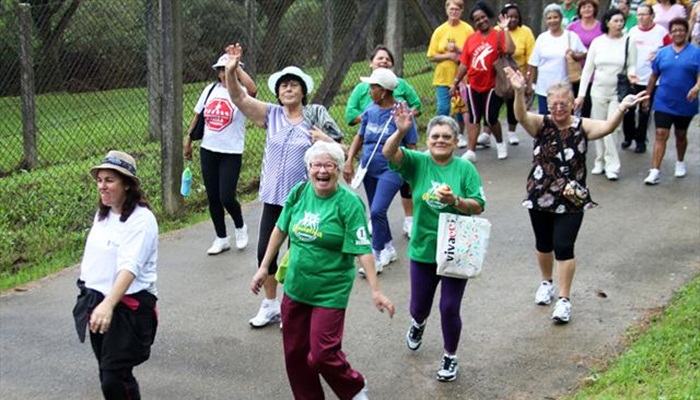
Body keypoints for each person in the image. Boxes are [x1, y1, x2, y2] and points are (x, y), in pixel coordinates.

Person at [251, 141, 394, 400]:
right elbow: (280, 229)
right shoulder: (299, 193)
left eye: (329, 165)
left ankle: (354, 388)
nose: (322, 171)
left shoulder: (349, 203)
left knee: (322, 354)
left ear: (339, 169)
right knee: (295, 354)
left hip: (330, 290)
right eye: (316, 165)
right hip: (296, 287)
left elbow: (363, 249)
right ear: (308, 168)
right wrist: (263, 268)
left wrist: (376, 290)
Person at [504, 66, 648, 323]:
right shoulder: (542, 124)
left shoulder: (582, 126)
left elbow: (606, 127)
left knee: (563, 246)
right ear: (548, 104)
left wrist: (623, 108)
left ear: (572, 104)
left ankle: (564, 299)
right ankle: (546, 283)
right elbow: (521, 115)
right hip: (540, 194)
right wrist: (517, 92)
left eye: (563, 103)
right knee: (543, 244)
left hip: (571, 198)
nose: (558, 108)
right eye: (553, 104)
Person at [224, 43, 344, 328]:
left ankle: (293, 306)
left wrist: (324, 141)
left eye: (293, 85)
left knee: (299, 257)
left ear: (303, 91)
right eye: (283, 86)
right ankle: (270, 305)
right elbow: (239, 99)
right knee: (266, 251)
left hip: (304, 200)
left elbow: (343, 151)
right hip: (273, 199)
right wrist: (232, 72)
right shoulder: (272, 115)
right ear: (278, 93)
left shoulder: (315, 119)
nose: (288, 89)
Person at [382, 107, 486, 382]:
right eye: (435, 136)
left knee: (449, 307)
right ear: (427, 140)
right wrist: (401, 131)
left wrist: (457, 202)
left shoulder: (464, 168)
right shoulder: (418, 163)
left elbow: (479, 205)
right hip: (424, 248)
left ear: (455, 141)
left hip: (456, 249)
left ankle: (450, 356)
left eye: (446, 137)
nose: (440, 140)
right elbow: (389, 154)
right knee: (419, 306)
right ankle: (418, 324)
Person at [72, 150, 159, 399]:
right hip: (96, 303)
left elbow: (130, 267)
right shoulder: (104, 214)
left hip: (127, 309)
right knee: (107, 373)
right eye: (99, 180)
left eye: (109, 180)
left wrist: (108, 304)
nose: (102, 186)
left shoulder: (141, 220)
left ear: (127, 185)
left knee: (115, 377)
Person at [343, 68, 418, 275]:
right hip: (368, 168)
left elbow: (412, 145)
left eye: (373, 88)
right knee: (378, 210)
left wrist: (413, 175)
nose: (369, 92)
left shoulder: (402, 113)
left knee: (376, 210)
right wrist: (349, 160)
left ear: (384, 91)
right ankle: (388, 248)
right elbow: (359, 137)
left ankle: (375, 256)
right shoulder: (369, 110)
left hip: (392, 169)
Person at [184, 51, 257, 255]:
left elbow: (253, 89)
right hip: (208, 149)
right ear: (217, 73)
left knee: (226, 196)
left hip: (231, 152)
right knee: (213, 197)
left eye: (229, 70)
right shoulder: (209, 90)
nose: (225, 74)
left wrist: (236, 67)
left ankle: (241, 227)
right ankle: (221, 238)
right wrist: (188, 140)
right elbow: (198, 116)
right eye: (222, 70)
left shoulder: (240, 93)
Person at [575, 8, 637, 181]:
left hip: (618, 91)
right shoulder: (598, 42)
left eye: (621, 21)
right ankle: (599, 161)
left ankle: (612, 165)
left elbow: (632, 64)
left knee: (613, 128)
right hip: (598, 90)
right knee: (599, 127)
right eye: (615, 21)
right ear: (607, 22)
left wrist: (632, 73)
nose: (619, 24)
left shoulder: (628, 41)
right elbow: (588, 70)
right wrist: (581, 94)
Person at [452, 1, 514, 162]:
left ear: (489, 17)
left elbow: (509, 50)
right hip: (473, 83)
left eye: (483, 17)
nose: (481, 21)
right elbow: (465, 63)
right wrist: (456, 81)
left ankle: (500, 144)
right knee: (473, 117)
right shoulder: (471, 39)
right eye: (477, 19)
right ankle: (471, 151)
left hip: (493, 84)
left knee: (490, 117)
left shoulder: (498, 35)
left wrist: (505, 28)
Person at [643, 17, 700, 185]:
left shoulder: (695, 53)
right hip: (663, 100)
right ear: (670, 33)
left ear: (686, 32)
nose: (678, 33)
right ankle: (654, 171)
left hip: (685, 101)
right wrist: (647, 95)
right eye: (674, 30)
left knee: (680, 134)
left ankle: (680, 162)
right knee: (661, 134)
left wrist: (696, 88)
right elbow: (654, 75)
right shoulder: (663, 53)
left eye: (681, 30)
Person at [624, 4, 671, 153]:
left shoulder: (661, 32)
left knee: (645, 112)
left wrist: (660, 55)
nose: (641, 17)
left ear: (652, 16)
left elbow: (670, 51)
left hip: (651, 80)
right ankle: (628, 136)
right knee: (628, 110)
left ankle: (641, 140)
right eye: (639, 14)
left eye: (645, 14)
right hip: (633, 78)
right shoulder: (632, 32)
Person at [527, 4, 587, 115]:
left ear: (561, 18)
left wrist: (574, 55)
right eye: (549, 18)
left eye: (555, 17)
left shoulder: (571, 36)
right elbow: (533, 63)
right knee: (546, 123)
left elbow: (585, 53)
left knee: (565, 121)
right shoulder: (542, 38)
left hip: (564, 88)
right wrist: (530, 85)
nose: (552, 21)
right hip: (544, 89)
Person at [427, 0, 474, 130]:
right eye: (451, 9)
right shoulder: (439, 31)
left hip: (462, 77)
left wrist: (458, 50)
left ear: (461, 11)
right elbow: (431, 55)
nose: (454, 12)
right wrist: (448, 56)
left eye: (457, 9)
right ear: (446, 10)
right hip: (443, 77)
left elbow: (474, 52)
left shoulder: (468, 29)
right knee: (443, 107)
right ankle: (440, 131)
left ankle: (458, 133)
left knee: (461, 108)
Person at [500, 3, 536, 146]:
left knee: (512, 104)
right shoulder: (498, 30)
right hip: (499, 74)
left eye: (515, 16)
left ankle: (512, 131)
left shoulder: (526, 32)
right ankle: (487, 131)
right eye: (509, 16)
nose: (513, 19)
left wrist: (529, 80)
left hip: (518, 74)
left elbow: (532, 58)